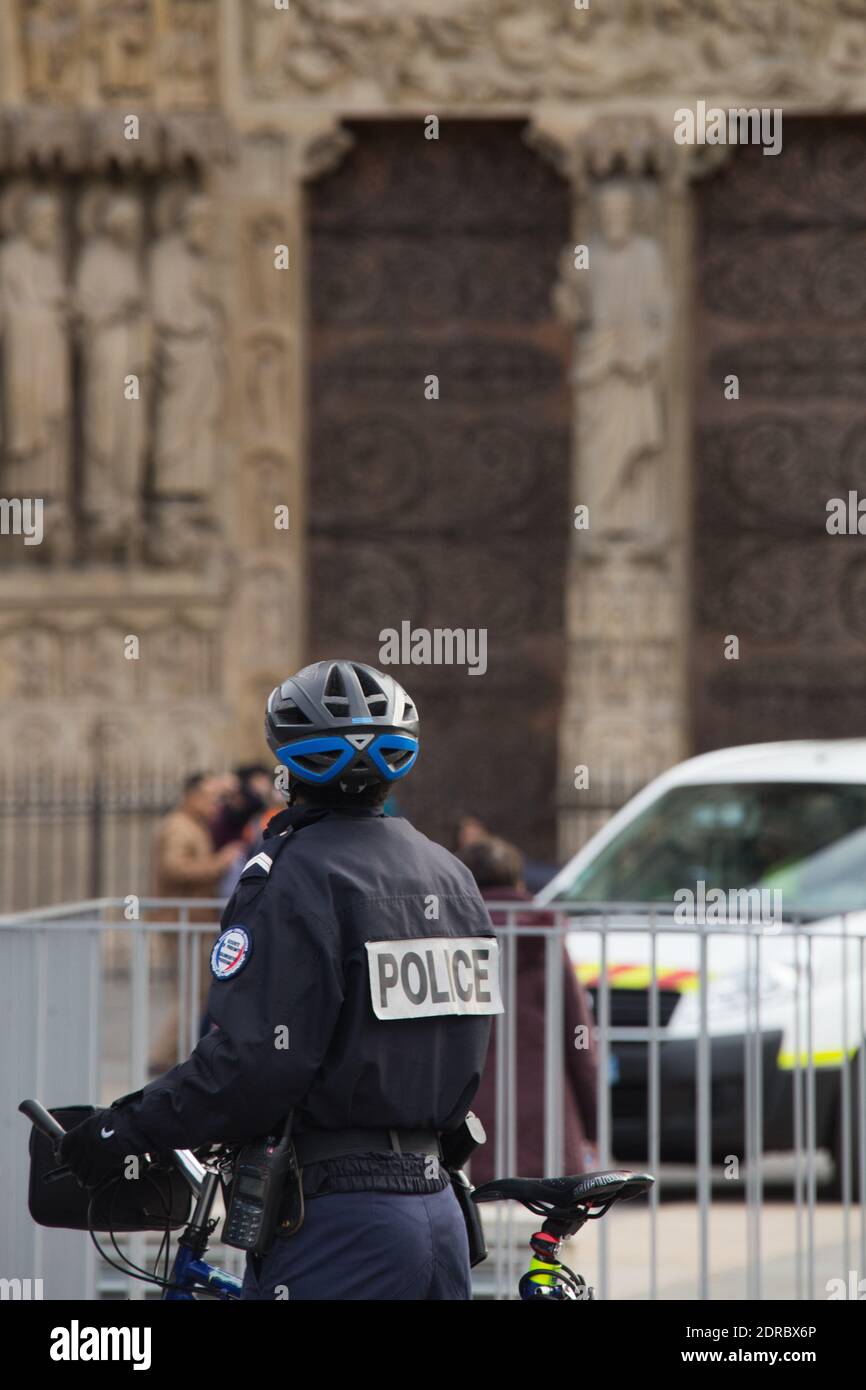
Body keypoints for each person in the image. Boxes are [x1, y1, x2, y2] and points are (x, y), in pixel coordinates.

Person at [61, 660, 500, 1301]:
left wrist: (126, 1128)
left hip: (338, 1219)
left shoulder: (290, 874)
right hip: (440, 1213)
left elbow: (254, 1064)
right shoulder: (450, 875)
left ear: (288, 765)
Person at [458, 835, 598, 1186]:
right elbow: (579, 1038)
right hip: (547, 1127)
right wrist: (594, 1122)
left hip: (469, 1132)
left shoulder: (447, 935)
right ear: (519, 883)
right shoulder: (546, 936)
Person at [148, 773, 245, 1074]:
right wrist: (220, 862)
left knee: (197, 992)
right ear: (191, 796)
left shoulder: (194, 826)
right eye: (209, 797)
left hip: (190, 920)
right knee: (190, 993)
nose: (215, 804)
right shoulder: (180, 827)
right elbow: (174, 868)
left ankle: (173, 1055)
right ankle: (164, 1058)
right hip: (180, 921)